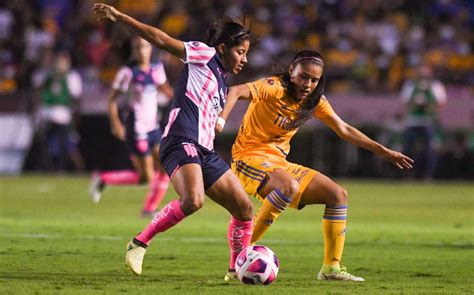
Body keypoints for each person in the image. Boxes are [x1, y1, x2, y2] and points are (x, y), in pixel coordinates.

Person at [216, 50, 414, 282]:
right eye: (303, 77)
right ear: (292, 72)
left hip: (278, 163)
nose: (308, 84)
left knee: (337, 195)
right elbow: (235, 91)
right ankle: (242, 255)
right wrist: (220, 120)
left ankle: (331, 268)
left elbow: (345, 129)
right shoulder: (274, 87)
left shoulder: (314, 101)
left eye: (314, 80)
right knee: (288, 186)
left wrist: (383, 151)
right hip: (247, 158)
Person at [93, 3, 254, 276]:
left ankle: (236, 268)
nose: (245, 59)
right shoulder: (204, 54)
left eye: (247, 54)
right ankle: (139, 242)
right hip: (180, 140)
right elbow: (161, 39)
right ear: (224, 47)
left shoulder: (222, 82)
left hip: (204, 149)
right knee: (193, 200)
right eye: (241, 52)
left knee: (245, 209)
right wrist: (120, 17)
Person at [89, 37, 174, 218]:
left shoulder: (157, 69)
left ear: (150, 49)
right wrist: (116, 123)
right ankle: (103, 178)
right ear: (134, 51)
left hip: (153, 127)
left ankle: (149, 209)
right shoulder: (128, 72)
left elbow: (165, 89)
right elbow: (112, 100)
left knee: (165, 167)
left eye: (144, 46)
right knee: (147, 177)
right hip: (136, 129)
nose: (141, 51)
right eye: (138, 47)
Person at [34, 50, 85, 171]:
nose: (60, 64)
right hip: (47, 114)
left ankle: (67, 169)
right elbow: (38, 91)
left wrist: (75, 117)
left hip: (63, 115)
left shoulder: (72, 77)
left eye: (63, 62)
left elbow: (76, 98)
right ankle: (47, 168)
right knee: (46, 144)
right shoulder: (47, 75)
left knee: (67, 145)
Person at [400, 64, 447, 179]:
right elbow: (405, 103)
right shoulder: (410, 85)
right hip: (413, 121)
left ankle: (428, 175)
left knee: (430, 150)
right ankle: (409, 174)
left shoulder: (436, 86)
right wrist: (416, 105)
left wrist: (428, 107)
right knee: (408, 149)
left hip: (428, 121)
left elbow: (441, 103)